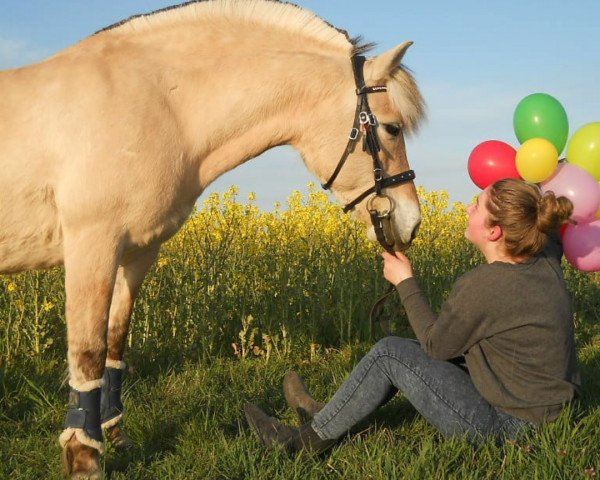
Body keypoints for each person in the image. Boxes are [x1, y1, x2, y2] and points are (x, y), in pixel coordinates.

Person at [244, 178, 581, 452]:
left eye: (476, 206)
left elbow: (436, 346)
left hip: (506, 430)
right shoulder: (546, 259)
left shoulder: (486, 285)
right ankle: (329, 414)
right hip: (552, 415)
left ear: (495, 232)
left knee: (392, 353)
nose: (467, 208)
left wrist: (406, 282)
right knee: (407, 353)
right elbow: (548, 229)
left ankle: (299, 445)